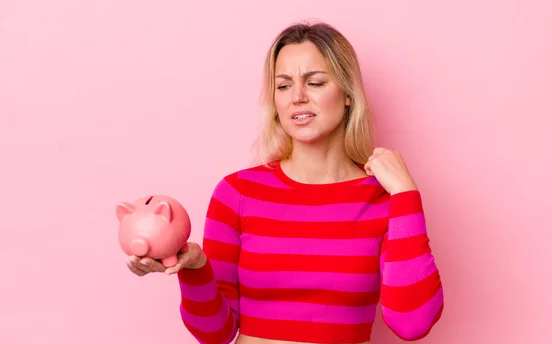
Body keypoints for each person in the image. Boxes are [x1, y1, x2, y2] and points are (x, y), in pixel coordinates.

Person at [126, 20, 444, 344]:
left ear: (348, 94)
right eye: (283, 86)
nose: (298, 97)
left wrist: (406, 194)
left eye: (315, 82)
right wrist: (194, 268)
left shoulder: (384, 199)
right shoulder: (237, 194)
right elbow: (216, 334)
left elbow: (412, 323)